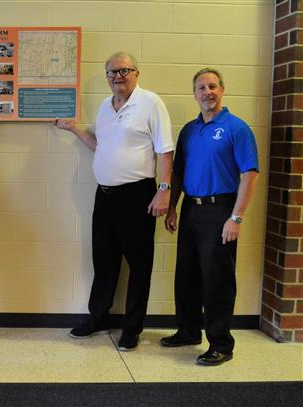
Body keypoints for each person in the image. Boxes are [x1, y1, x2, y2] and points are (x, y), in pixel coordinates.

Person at [55, 52, 174, 351]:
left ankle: (132, 329)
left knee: (139, 265)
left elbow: (165, 150)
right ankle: (98, 317)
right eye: (112, 72)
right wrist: (74, 129)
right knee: (104, 260)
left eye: (124, 70)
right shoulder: (105, 107)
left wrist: (164, 189)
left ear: (137, 72)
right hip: (105, 196)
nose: (117, 76)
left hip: (138, 196)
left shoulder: (151, 103)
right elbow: (100, 145)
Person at [161, 68, 259, 366]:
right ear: (195, 95)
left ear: (222, 89)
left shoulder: (236, 128)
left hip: (221, 210)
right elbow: (177, 171)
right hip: (191, 208)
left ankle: (221, 343)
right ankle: (189, 331)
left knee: (217, 279)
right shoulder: (189, 130)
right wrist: (173, 207)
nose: (208, 92)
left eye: (212, 86)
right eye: (201, 88)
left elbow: (250, 174)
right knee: (187, 274)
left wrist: (236, 218)